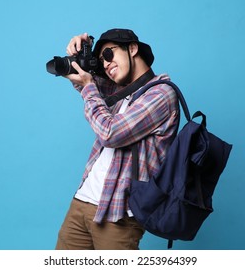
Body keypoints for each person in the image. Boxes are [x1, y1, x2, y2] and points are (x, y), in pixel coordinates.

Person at [55, 28, 179, 250]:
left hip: (118, 214)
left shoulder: (161, 94)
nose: (106, 64)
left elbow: (109, 133)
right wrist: (82, 52)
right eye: (101, 61)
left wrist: (88, 86)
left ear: (132, 48)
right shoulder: (120, 91)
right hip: (82, 204)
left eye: (109, 55)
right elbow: (84, 81)